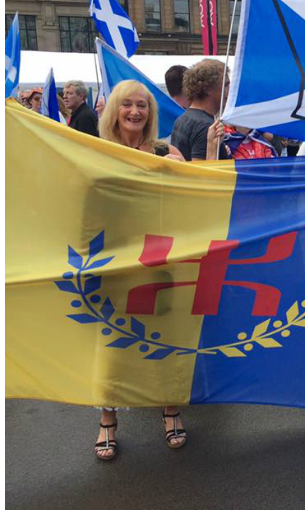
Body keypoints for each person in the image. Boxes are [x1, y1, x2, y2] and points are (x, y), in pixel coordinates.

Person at [93, 80, 186, 460]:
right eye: (127, 104)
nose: (135, 111)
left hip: (158, 258)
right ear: (114, 110)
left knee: (165, 336)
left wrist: (192, 166)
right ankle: (107, 419)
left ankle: (171, 408)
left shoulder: (166, 150)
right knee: (112, 343)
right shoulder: (94, 151)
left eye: (142, 106)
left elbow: (195, 193)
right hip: (112, 259)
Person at [169, 58, 226, 161]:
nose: (229, 90)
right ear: (208, 89)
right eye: (226, 85)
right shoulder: (207, 127)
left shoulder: (181, 119)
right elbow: (201, 173)